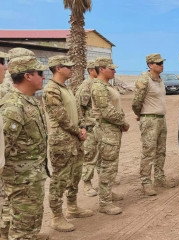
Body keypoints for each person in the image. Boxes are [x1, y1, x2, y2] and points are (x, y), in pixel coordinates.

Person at [0, 55, 49, 239]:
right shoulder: (13, 107)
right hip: (20, 181)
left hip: (32, 178)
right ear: (28, 76)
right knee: (23, 229)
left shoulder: (29, 100)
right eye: (40, 73)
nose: (43, 77)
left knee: (31, 220)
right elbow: (2, 148)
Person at [43, 55, 93, 232]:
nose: (71, 69)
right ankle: (56, 217)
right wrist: (77, 130)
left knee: (75, 175)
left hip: (74, 139)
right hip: (62, 141)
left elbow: (77, 112)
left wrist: (82, 127)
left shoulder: (66, 88)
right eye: (68, 66)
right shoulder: (51, 90)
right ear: (58, 68)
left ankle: (72, 207)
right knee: (60, 179)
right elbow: (60, 117)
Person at [132, 53, 175, 196]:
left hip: (161, 119)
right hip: (149, 119)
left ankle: (159, 178)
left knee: (161, 151)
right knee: (148, 152)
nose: (161, 65)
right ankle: (146, 183)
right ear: (150, 65)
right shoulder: (144, 80)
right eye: (158, 63)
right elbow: (136, 102)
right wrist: (140, 114)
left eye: (162, 63)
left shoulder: (159, 80)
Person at [91, 57, 129, 215]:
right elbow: (107, 111)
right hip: (107, 129)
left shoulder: (107, 85)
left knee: (109, 164)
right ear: (101, 69)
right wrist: (123, 122)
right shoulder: (99, 87)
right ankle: (104, 203)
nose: (114, 71)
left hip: (112, 129)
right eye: (111, 68)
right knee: (108, 166)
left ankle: (107, 194)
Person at [75, 60, 99, 197]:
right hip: (90, 127)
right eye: (97, 68)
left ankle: (104, 182)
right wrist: (82, 127)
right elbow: (79, 107)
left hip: (100, 126)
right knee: (89, 156)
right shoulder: (86, 86)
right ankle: (87, 183)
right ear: (91, 70)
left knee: (102, 156)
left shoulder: (100, 85)